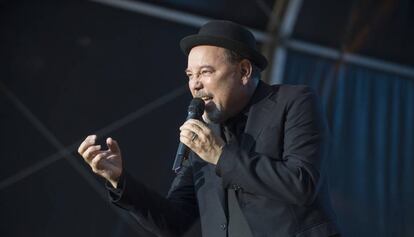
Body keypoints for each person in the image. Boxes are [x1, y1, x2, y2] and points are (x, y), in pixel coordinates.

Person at [78, 20, 340, 237]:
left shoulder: (293, 101)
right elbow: (174, 222)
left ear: (244, 70)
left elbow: (302, 183)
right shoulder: (206, 132)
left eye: (205, 72)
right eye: (190, 75)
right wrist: (119, 180)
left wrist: (220, 155)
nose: (195, 85)